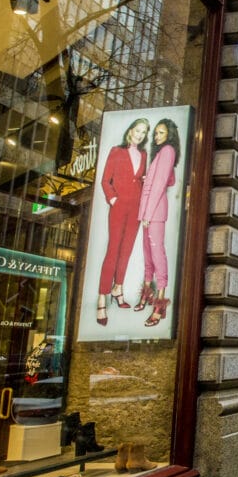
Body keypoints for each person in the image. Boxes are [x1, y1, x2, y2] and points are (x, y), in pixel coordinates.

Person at [96, 117, 149, 326]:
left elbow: (140, 180)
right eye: (138, 130)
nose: (140, 135)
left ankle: (118, 288)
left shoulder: (144, 155)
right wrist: (113, 199)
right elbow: (105, 180)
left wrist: (144, 182)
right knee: (113, 250)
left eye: (144, 132)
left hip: (136, 208)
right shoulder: (116, 152)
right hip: (119, 206)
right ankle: (102, 296)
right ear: (130, 130)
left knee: (126, 251)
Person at [137, 118, 181, 327]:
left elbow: (160, 185)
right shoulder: (161, 153)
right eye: (156, 133)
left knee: (157, 254)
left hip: (154, 212)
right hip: (147, 211)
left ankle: (160, 304)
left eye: (161, 133)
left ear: (169, 134)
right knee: (148, 255)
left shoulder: (168, 151)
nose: (156, 136)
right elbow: (169, 179)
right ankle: (146, 295)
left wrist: (147, 213)